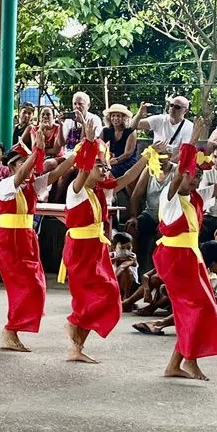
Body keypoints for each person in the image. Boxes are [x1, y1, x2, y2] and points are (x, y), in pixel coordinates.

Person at [151, 141, 217, 380]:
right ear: (181, 174)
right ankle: (187, 361)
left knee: (201, 309)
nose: (194, 181)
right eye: (190, 176)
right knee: (199, 308)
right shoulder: (170, 196)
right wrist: (192, 142)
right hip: (175, 260)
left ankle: (179, 363)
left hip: (191, 259)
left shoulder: (198, 196)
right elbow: (177, 180)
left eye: (197, 178)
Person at [59, 121, 155, 363]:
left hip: (97, 248)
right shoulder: (76, 190)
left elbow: (126, 177)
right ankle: (75, 339)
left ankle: (76, 342)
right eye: (99, 165)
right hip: (80, 251)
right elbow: (81, 172)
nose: (104, 169)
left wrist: (147, 155)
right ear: (87, 167)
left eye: (105, 166)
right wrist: (90, 144)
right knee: (89, 299)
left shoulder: (100, 190)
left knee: (108, 295)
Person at [0, 144, 75, 351]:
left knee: (36, 287)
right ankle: (10, 330)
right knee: (21, 288)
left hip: (27, 240)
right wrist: (37, 150)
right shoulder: (6, 185)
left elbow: (57, 172)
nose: (29, 167)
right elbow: (22, 174)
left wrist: (79, 153)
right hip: (9, 242)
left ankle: (13, 329)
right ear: (13, 167)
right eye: (23, 163)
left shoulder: (32, 186)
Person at [101, 104, 137, 175]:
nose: (115, 118)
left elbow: (128, 154)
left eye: (118, 116)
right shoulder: (105, 131)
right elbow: (99, 146)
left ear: (124, 118)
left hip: (126, 162)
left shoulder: (130, 131)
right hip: (109, 162)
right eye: (113, 115)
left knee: (108, 174)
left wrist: (115, 161)